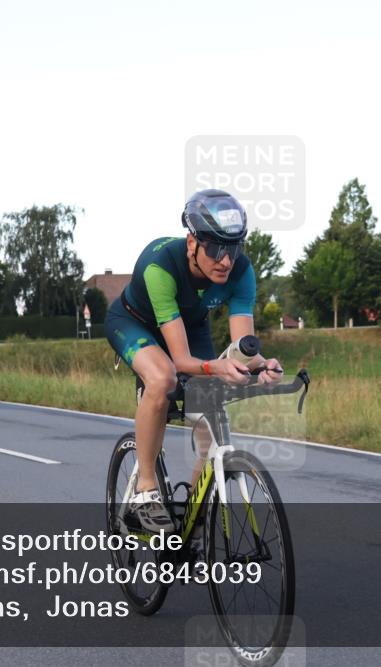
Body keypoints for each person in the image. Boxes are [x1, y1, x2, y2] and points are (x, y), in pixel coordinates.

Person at [105, 189, 283, 532]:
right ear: (192, 243)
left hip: (190, 325)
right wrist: (214, 366)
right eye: (215, 249)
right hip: (134, 324)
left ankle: (195, 520)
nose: (226, 261)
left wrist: (261, 366)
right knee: (163, 379)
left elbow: (242, 348)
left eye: (233, 249)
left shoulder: (241, 272)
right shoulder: (161, 267)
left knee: (211, 405)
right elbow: (182, 360)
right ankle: (145, 490)